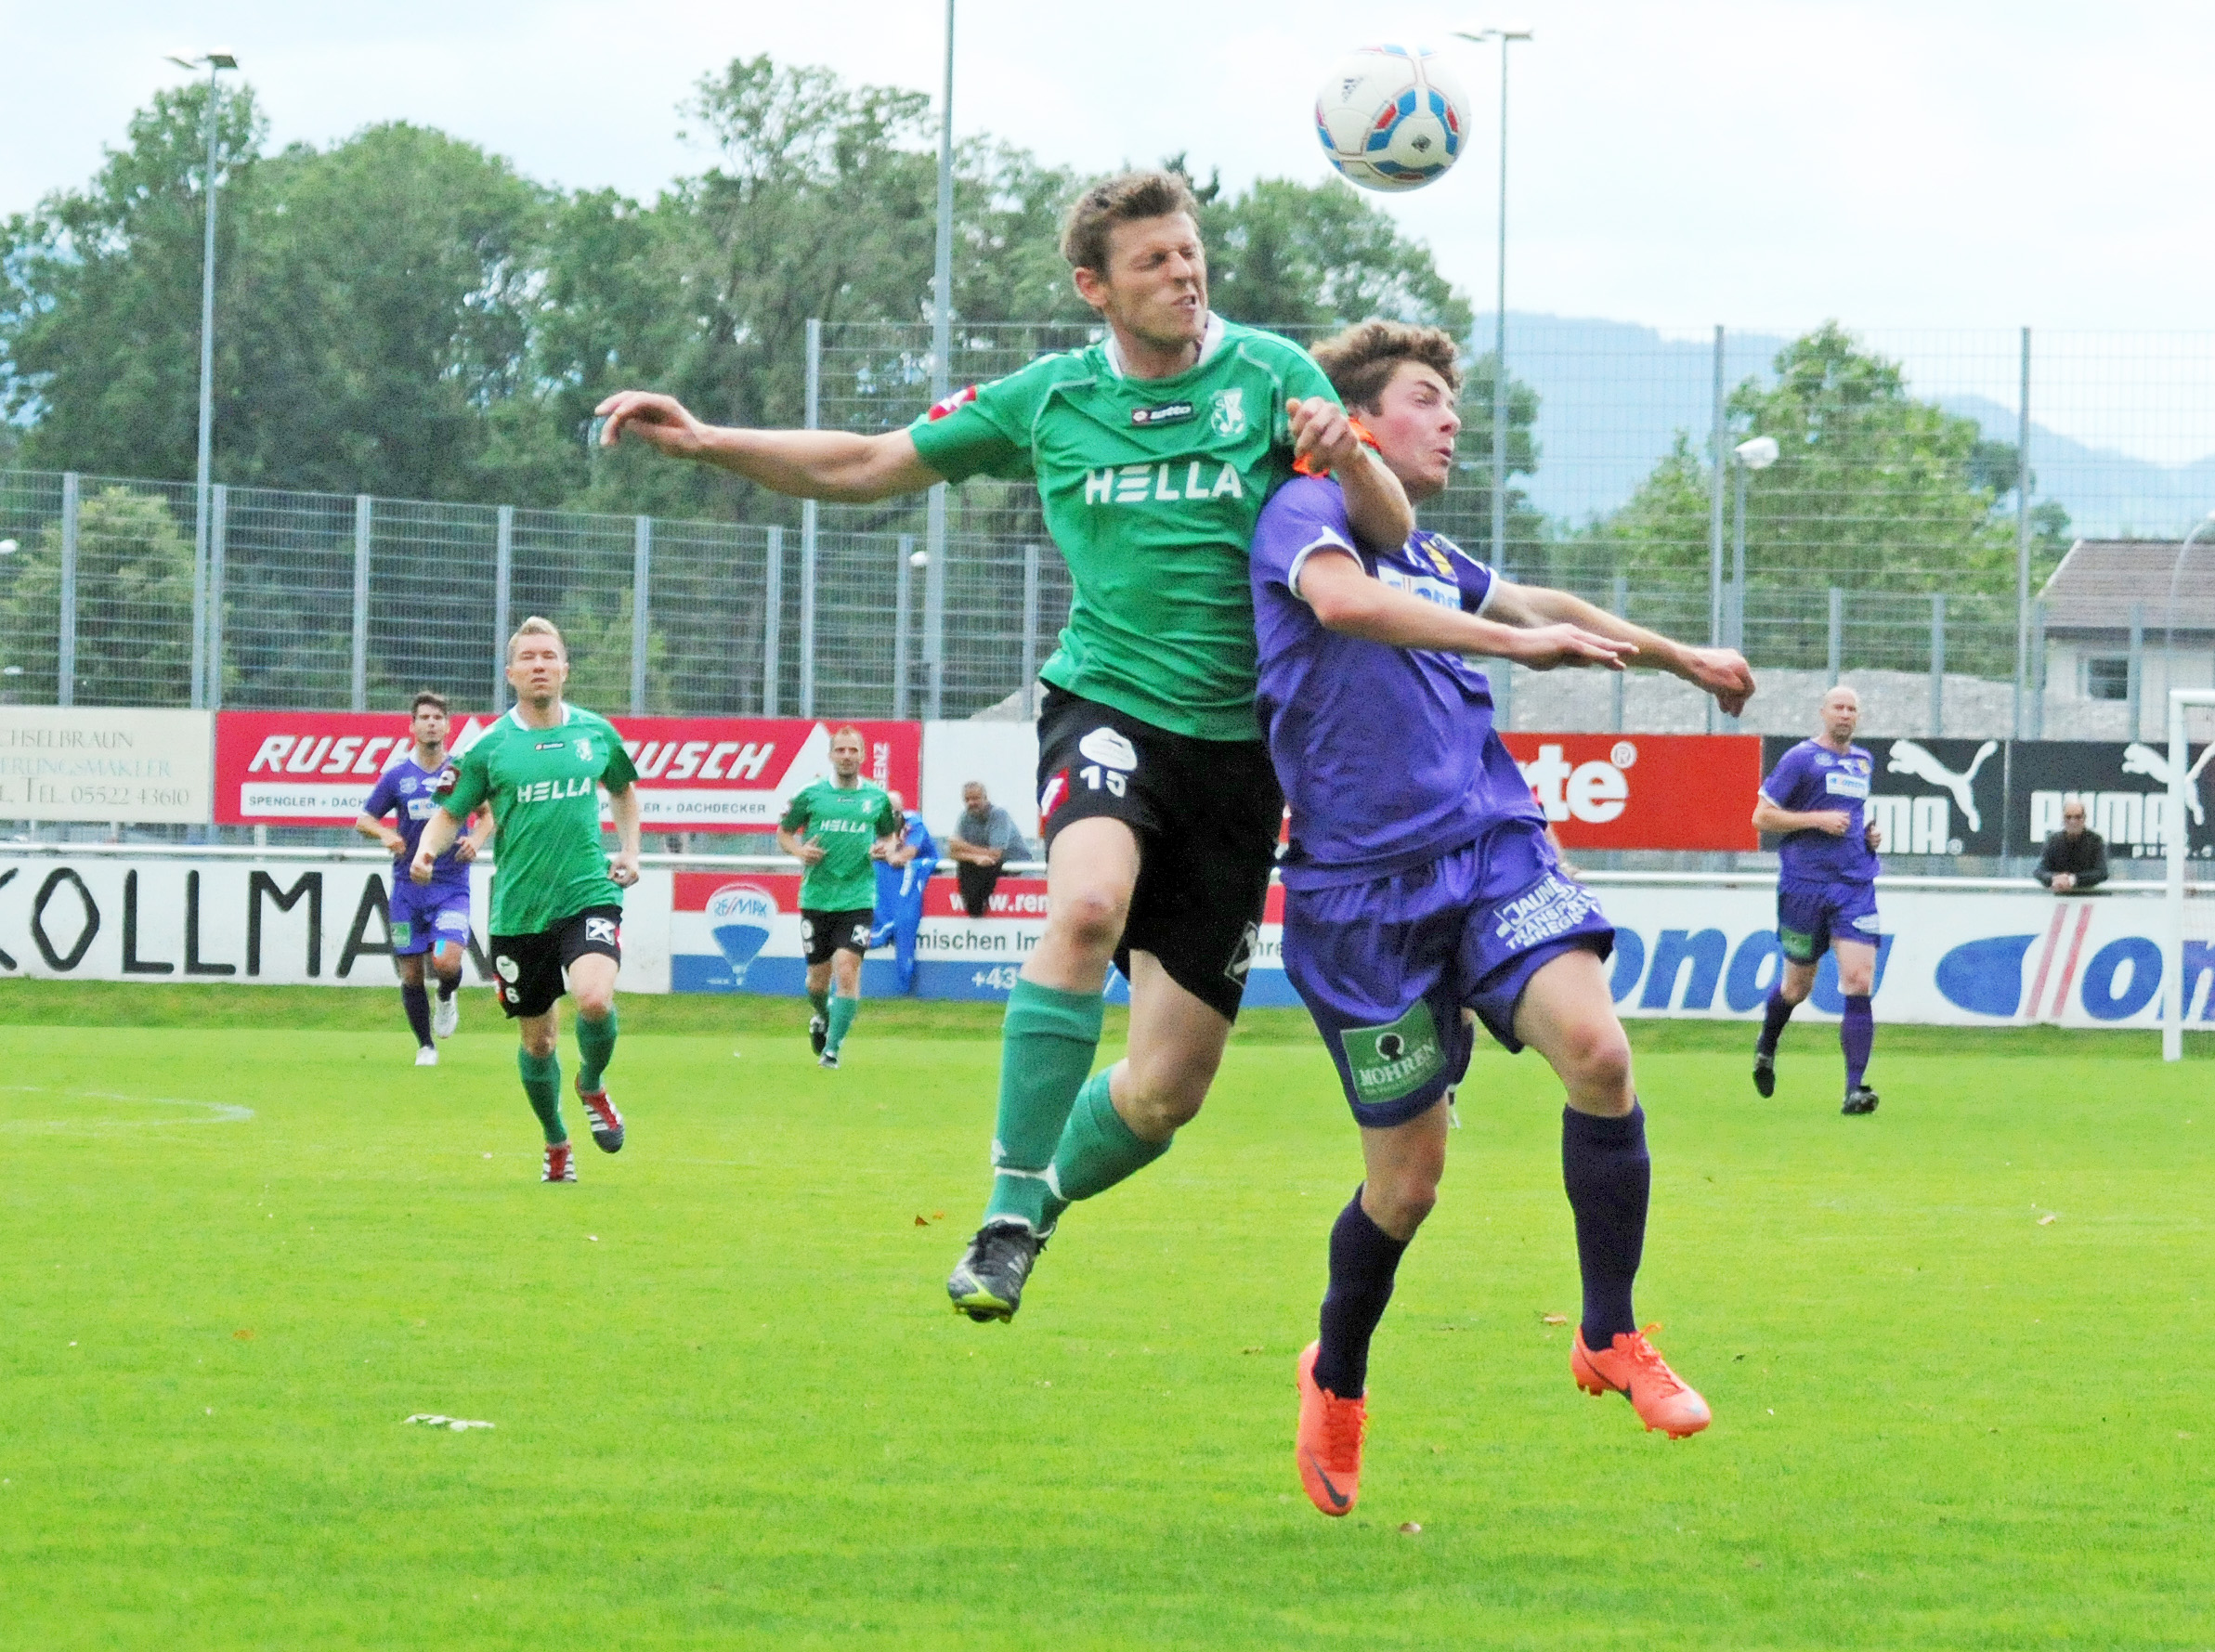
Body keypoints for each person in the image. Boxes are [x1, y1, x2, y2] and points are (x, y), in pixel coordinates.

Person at [596, 168, 1414, 1322]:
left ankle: (1035, 1210)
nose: (1183, 273)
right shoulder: (1051, 399)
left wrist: (1352, 454)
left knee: (1164, 1095)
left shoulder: (1273, 374)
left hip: (1241, 755)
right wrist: (706, 442)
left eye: (1189, 251)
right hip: (1107, 705)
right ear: (1095, 288)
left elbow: (1390, 531)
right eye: (1153, 260)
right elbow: (871, 463)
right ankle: (1002, 1208)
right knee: (1084, 908)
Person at [1248, 319, 1754, 1516]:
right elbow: (1346, 606)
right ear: (1358, 420)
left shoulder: (1427, 548)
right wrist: (1517, 642)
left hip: (1490, 847)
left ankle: (1610, 1332)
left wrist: (1677, 656)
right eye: (1428, 397)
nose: (1453, 419)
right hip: (1359, 897)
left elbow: (1537, 597)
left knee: (1600, 1053)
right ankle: (1338, 1373)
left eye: (1453, 400)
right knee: (1407, 1187)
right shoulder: (1301, 514)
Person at [413, 618, 641, 1183]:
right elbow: (449, 812)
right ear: (511, 673)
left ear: (565, 669)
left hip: (587, 893)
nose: (540, 665)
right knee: (539, 1043)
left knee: (593, 999)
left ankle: (591, 1084)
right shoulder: (489, 748)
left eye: (549, 656)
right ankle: (556, 1139)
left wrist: (630, 851)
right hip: (519, 912)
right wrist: (426, 851)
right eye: (529, 658)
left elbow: (623, 790)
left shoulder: (595, 733)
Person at [1750, 685, 1885, 1115]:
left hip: (1854, 885)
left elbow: (1851, 816)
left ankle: (1854, 1089)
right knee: (1797, 988)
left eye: (1852, 709)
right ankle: (1767, 1046)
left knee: (1859, 980)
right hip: (1804, 886)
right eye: (1838, 707)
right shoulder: (1801, 759)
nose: (1845, 714)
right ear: (1823, 713)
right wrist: (1816, 820)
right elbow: (1761, 817)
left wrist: (1866, 838)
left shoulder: (1863, 761)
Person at [353, 691, 492, 1065]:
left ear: (448, 726)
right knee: (411, 973)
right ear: (412, 726)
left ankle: (446, 994)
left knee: (445, 961)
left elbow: (487, 813)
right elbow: (364, 819)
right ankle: (426, 1046)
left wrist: (476, 840)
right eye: (424, 718)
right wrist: (385, 834)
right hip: (407, 890)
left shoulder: (457, 774)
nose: (431, 723)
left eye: (437, 718)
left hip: (450, 888)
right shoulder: (398, 777)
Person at [776, 726, 901, 1068]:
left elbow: (889, 836)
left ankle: (831, 1051)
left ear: (863, 755)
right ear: (831, 755)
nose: (847, 756)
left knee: (847, 969)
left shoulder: (876, 798)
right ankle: (822, 1015)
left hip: (858, 898)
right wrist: (800, 851)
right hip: (817, 897)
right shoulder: (811, 794)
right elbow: (784, 833)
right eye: (841, 750)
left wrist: (884, 848)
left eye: (853, 750)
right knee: (817, 983)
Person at [870, 788, 937, 995]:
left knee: (906, 918)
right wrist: (885, 854)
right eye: (887, 812)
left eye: (896, 812)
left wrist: (887, 854)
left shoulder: (914, 823)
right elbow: (867, 852)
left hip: (916, 874)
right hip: (887, 877)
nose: (892, 816)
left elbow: (905, 856)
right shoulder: (873, 823)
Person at [945, 781, 1023, 918]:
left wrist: (963, 846)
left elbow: (995, 854)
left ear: (985, 798)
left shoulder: (999, 815)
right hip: (986, 870)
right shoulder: (964, 816)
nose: (971, 803)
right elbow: (952, 853)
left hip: (1018, 873)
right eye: (967, 799)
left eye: (975, 798)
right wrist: (975, 858)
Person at [2036, 800, 2107, 892]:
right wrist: (2054, 878)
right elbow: (2040, 871)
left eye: (2078, 817)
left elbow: (2101, 873)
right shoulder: (2053, 840)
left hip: (2089, 897)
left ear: (2084, 819)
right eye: (2068, 817)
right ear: (2063, 819)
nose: (2073, 822)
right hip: (2059, 897)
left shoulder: (2095, 840)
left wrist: (2072, 879)